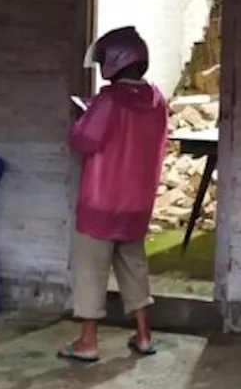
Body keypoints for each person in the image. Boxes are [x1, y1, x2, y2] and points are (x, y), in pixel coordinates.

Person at [59, 26, 168, 362]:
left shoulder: (108, 101)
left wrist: (82, 116)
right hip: (137, 204)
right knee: (134, 268)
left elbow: (82, 141)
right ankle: (144, 336)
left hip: (101, 202)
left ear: (116, 61)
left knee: (90, 269)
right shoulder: (158, 99)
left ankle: (88, 342)